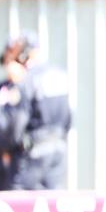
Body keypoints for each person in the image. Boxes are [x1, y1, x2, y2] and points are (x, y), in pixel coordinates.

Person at [7, 32, 72, 190]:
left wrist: (10, 147)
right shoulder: (60, 75)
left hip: (37, 149)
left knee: (19, 198)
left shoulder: (29, 79)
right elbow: (69, 117)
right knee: (54, 200)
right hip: (58, 148)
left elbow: (19, 121)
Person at [0, 43, 23, 190]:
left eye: (14, 61)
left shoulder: (28, 88)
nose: (10, 66)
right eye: (7, 62)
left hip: (20, 156)